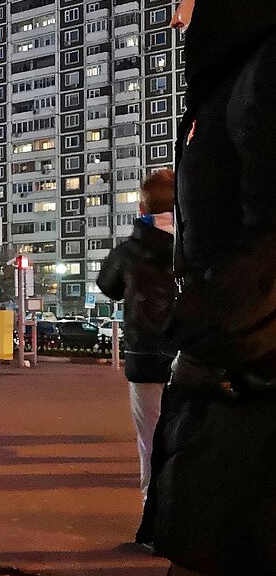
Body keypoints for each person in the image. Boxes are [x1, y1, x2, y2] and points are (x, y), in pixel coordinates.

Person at [139, 0, 276, 576]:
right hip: (238, 419)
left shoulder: (266, 72)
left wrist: (188, 315)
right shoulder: (243, 80)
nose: (176, 13)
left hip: (257, 437)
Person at [95, 169, 175, 535]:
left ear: (143, 206)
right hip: (193, 356)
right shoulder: (199, 243)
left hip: (146, 360)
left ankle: (155, 523)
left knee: (151, 443)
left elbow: (108, 285)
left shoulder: (132, 249)